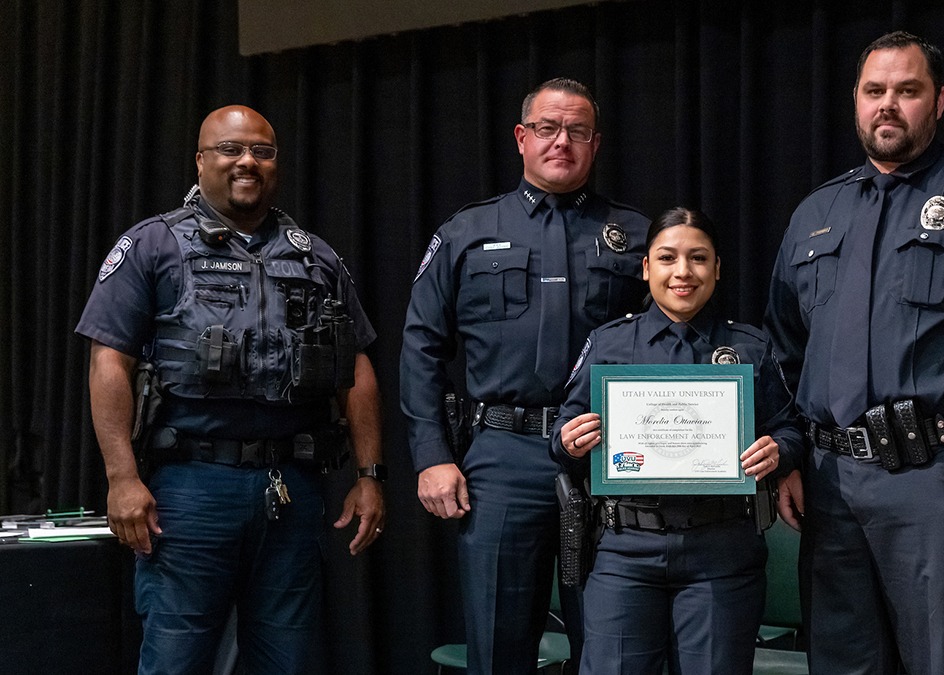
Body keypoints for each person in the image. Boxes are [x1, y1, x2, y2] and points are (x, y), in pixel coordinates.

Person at [763, 31, 944, 674]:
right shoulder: (816, 211)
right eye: (874, 91)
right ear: (856, 100)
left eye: (908, 90)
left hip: (934, 474)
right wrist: (788, 456)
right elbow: (783, 349)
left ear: (939, 100)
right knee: (840, 663)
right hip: (829, 482)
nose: (888, 104)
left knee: (940, 662)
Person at [77, 105, 386, 674]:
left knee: (289, 661)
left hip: (290, 488)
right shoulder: (154, 245)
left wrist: (369, 476)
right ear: (200, 161)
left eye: (262, 152)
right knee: (177, 659)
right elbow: (109, 361)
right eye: (231, 149)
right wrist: (121, 477)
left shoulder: (314, 257)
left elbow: (357, 367)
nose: (247, 161)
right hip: (191, 489)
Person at [400, 78, 650, 673]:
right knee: (499, 645)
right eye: (547, 128)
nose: (562, 141)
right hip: (503, 458)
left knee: (613, 647)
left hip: (610, 454)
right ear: (521, 137)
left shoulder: (640, 236)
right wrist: (432, 456)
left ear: (596, 144)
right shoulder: (467, 232)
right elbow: (421, 347)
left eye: (577, 131)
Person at [551, 207, 805, 674]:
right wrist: (569, 441)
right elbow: (563, 436)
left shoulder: (750, 347)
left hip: (721, 555)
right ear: (646, 267)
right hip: (625, 552)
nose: (683, 271)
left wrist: (779, 452)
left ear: (717, 268)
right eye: (667, 258)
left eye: (698, 258)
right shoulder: (608, 344)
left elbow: (790, 428)